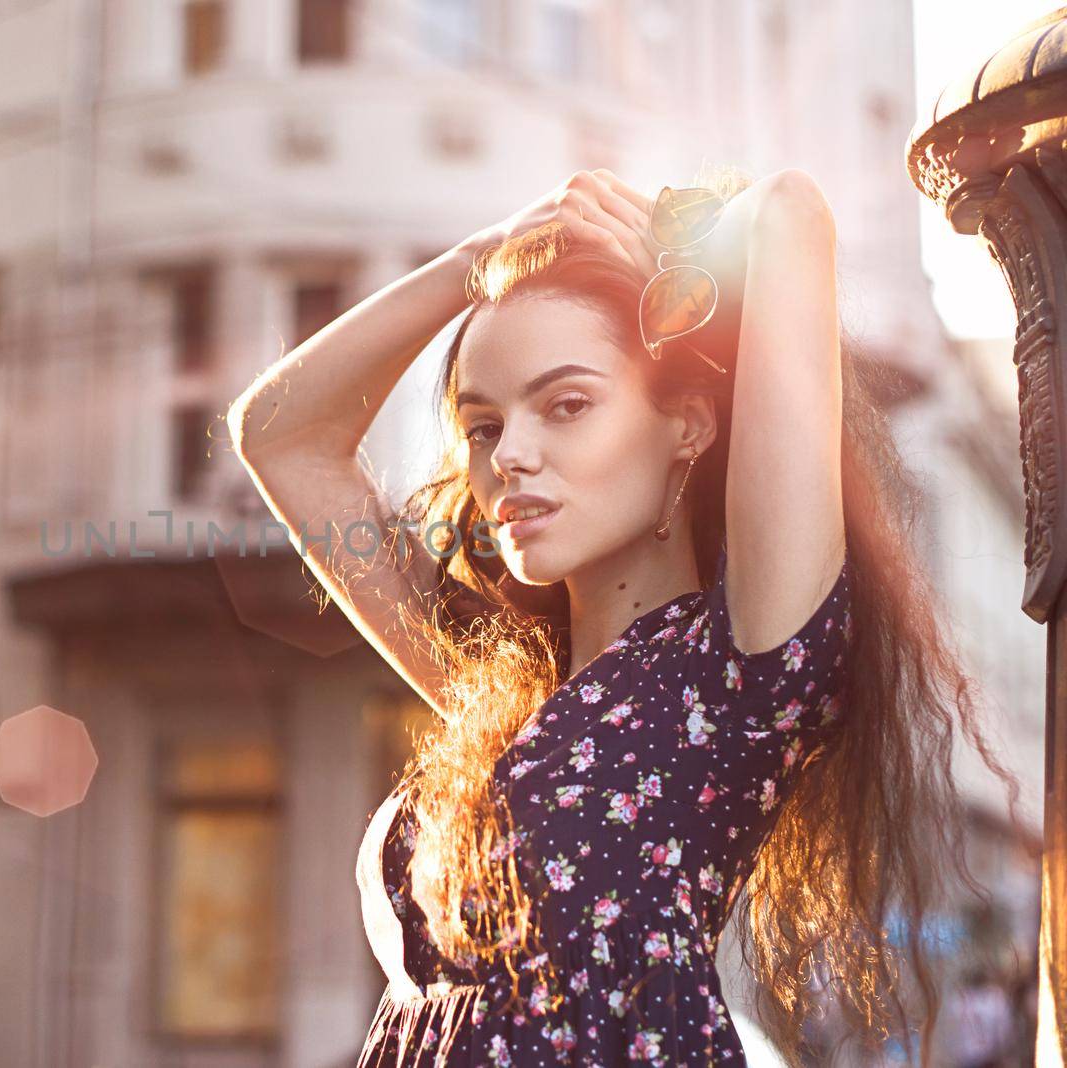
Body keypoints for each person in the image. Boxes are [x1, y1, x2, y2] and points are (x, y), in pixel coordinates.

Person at [226, 167, 1023, 1067]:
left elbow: (792, 216)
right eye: (483, 427)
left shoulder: (736, 674)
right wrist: (473, 261)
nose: (512, 457)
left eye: (566, 406)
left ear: (687, 425)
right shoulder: (496, 687)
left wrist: (678, 252)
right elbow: (280, 438)